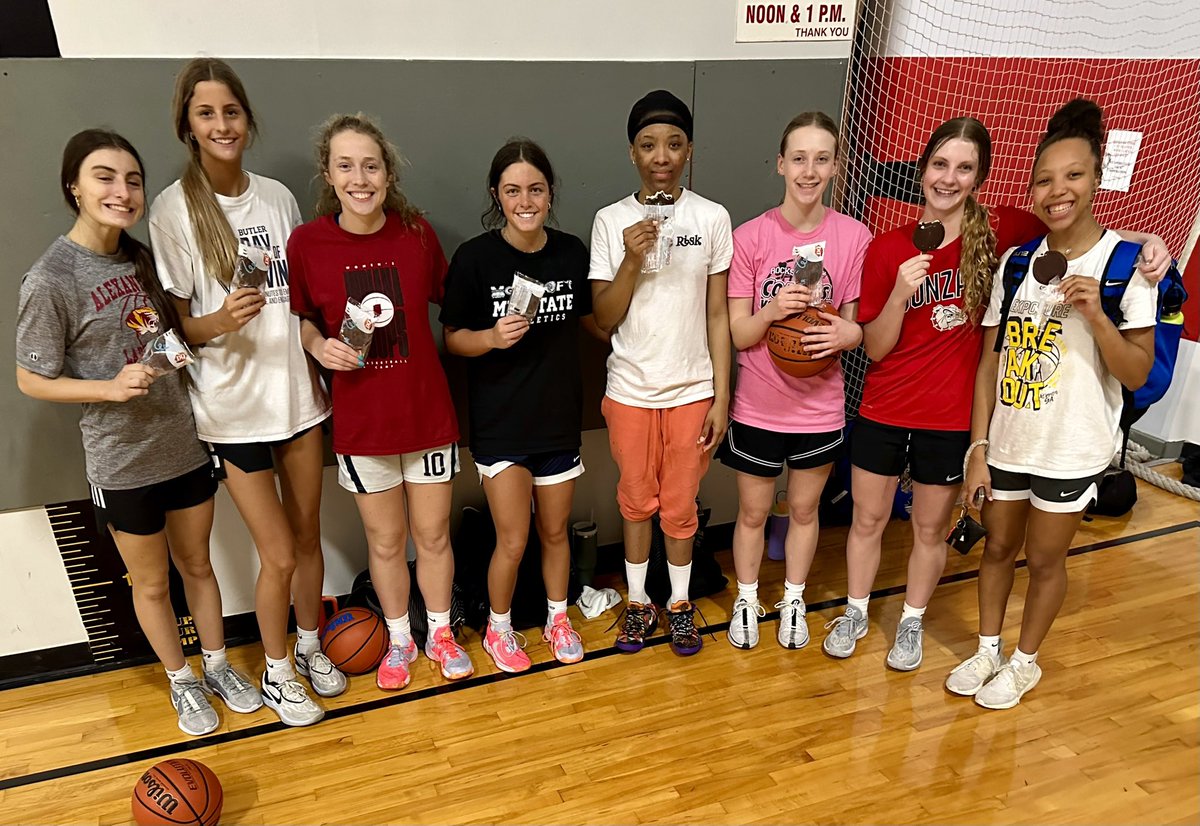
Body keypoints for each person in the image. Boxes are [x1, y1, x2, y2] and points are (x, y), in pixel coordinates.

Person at [825, 116, 1170, 671]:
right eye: (940, 164)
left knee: (929, 529)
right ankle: (856, 611)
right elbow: (878, 348)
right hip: (885, 406)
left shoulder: (1003, 231)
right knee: (867, 520)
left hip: (950, 415)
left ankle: (911, 622)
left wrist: (1150, 242)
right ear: (923, 170)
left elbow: (1076, 226)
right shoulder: (887, 246)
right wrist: (899, 294)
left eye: (964, 168)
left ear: (979, 177)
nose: (949, 178)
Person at [16, 129, 261, 736]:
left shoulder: (140, 258)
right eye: (105, 177)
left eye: (132, 180)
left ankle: (216, 666)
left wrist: (214, 325)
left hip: (182, 445)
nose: (122, 192)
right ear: (74, 187)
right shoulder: (50, 278)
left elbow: (167, 338)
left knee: (198, 565)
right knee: (151, 583)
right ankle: (182, 681)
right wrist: (106, 387)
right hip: (122, 463)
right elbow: (30, 379)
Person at [948, 99, 1158, 708]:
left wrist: (1097, 316)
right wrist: (979, 447)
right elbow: (989, 361)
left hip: (1071, 445)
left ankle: (1025, 661)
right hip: (1010, 440)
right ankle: (987, 649)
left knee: (1044, 559)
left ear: (1096, 180)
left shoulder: (1124, 267)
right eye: (1044, 179)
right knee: (996, 548)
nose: (1057, 190)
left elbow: (1137, 371)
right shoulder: (1016, 265)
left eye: (1073, 175)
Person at [149, 57, 335, 728]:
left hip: (298, 400)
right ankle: (278, 673)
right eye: (206, 113)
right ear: (188, 126)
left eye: (230, 111)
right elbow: (173, 329)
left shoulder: (279, 197)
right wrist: (219, 321)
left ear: (247, 120)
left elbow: (302, 299)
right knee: (277, 553)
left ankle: (308, 647)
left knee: (308, 540)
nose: (221, 124)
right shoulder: (172, 209)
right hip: (232, 414)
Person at [288, 112, 473, 690]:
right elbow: (302, 319)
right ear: (328, 174)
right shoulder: (307, 243)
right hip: (363, 427)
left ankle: (440, 633)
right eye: (345, 166)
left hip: (427, 417)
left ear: (388, 174)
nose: (359, 178)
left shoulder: (417, 235)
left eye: (370, 166)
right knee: (386, 542)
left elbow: (458, 303)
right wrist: (318, 345)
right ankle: (399, 640)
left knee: (434, 537)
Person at [440, 138, 596, 672]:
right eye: (512, 191)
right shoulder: (475, 258)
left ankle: (558, 619)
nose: (525, 201)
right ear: (496, 195)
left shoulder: (571, 252)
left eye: (535, 189)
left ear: (550, 193)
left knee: (555, 533)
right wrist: (490, 337)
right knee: (512, 539)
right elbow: (453, 339)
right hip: (501, 426)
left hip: (557, 421)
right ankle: (499, 629)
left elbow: (596, 321)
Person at [719, 112, 870, 650]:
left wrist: (848, 335)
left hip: (819, 406)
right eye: (799, 158)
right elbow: (739, 333)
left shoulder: (854, 237)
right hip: (758, 405)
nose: (810, 171)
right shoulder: (750, 237)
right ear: (781, 164)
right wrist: (772, 310)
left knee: (805, 511)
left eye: (821, 159)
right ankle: (746, 598)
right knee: (753, 512)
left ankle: (794, 599)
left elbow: (853, 325)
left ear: (836, 166)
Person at [590, 89, 733, 656]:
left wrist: (722, 396)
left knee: (679, 504)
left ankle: (678, 604)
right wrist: (632, 257)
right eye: (648, 145)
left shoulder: (711, 217)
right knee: (635, 499)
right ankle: (637, 602)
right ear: (632, 152)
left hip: (692, 390)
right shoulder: (611, 220)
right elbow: (604, 317)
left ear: (689, 150)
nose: (661, 156)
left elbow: (718, 313)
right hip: (630, 389)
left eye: (674, 144)